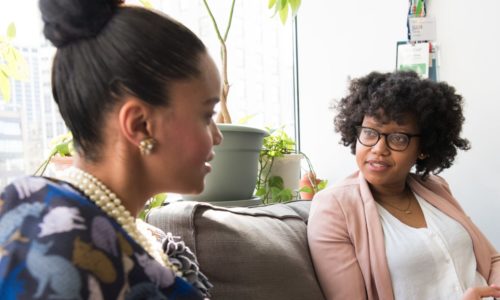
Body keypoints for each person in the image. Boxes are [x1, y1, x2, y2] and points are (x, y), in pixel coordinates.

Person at [0, 0, 223, 299]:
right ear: (140, 124)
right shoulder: (62, 244)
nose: (218, 136)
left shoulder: (141, 238)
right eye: (207, 115)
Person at [307, 70, 500, 300]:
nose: (378, 148)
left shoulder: (436, 187)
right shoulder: (334, 208)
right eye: (369, 133)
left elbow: (492, 261)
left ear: (423, 148)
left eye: (398, 138)